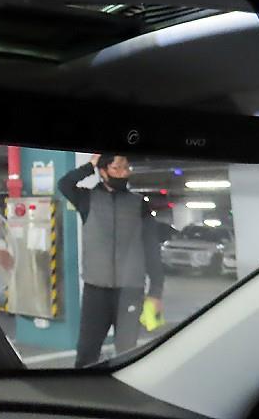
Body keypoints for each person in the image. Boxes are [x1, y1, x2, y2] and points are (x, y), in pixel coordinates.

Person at [58, 152, 165, 367]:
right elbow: (64, 184)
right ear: (103, 171)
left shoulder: (139, 204)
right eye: (117, 168)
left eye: (126, 168)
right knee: (87, 352)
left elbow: (151, 248)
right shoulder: (87, 199)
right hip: (96, 291)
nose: (123, 173)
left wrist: (156, 291)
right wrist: (90, 165)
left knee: (127, 352)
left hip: (131, 290)